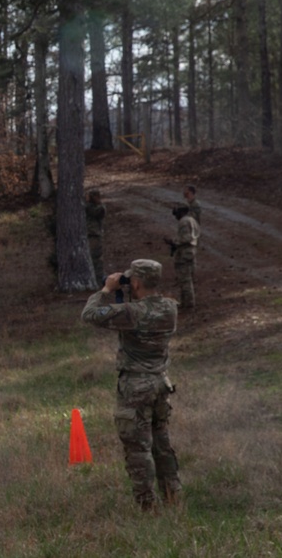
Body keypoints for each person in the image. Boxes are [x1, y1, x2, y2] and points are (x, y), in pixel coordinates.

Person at [80, 259, 182, 512]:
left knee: (138, 448)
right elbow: (144, 307)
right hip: (160, 383)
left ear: (135, 282)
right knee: (162, 443)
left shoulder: (132, 313)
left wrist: (106, 291)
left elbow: (90, 315)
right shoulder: (170, 308)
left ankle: (147, 505)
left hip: (135, 386)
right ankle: (173, 495)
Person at [165, 205, 200, 309]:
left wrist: (173, 242)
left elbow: (185, 238)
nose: (175, 216)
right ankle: (186, 302)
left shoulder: (184, 222)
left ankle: (188, 303)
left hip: (184, 252)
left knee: (185, 278)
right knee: (188, 277)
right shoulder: (192, 220)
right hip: (190, 251)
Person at [85, 190, 107, 282]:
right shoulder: (89, 207)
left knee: (97, 256)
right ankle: (98, 277)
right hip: (92, 234)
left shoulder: (90, 206)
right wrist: (101, 204)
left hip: (94, 234)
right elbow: (100, 212)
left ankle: (98, 276)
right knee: (95, 256)